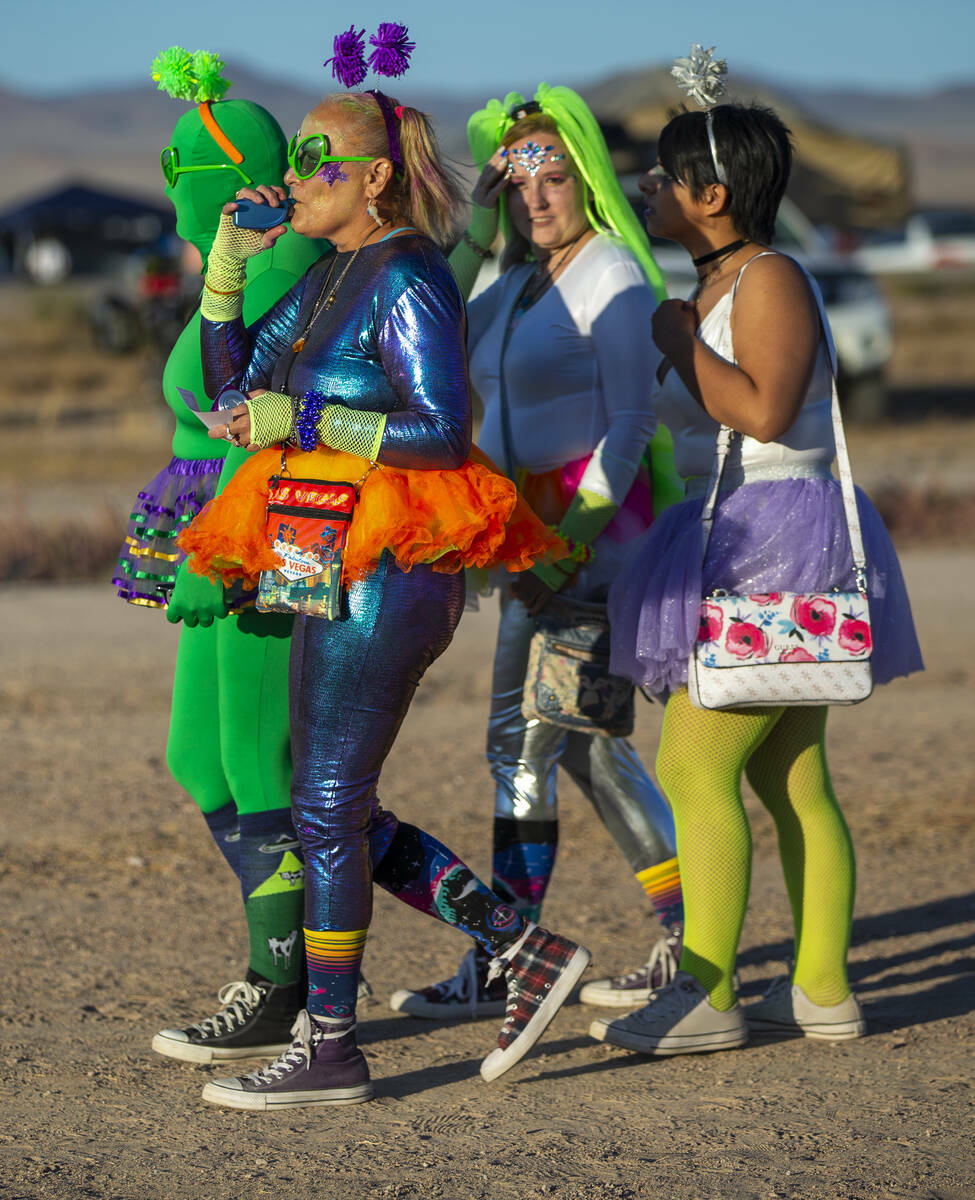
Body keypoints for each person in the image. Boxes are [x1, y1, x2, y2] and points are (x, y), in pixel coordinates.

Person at [179, 85, 591, 1109]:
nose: (298, 175)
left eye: (321, 160)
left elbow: (443, 429)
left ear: (371, 177)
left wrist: (304, 417)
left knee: (324, 803)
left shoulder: (406, 271)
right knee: (337, 809)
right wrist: (228, 259)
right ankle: (524, 950)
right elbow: (230, 383)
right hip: (328, 559)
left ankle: (333, 1047)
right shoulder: (329, 274)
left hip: (396, 563)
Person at [591, 98, 923, 1057]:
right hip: (738, 532)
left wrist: (678, 345)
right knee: (789, 773)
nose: (648, 189)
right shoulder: (722, 281)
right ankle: (820, 986)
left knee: (693, 768)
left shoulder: (768, 279)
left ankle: (704, 993)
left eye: (662, 176)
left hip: (771, 538)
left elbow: (767, 412)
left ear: (712, 193)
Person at [390, 85, 688, 1021]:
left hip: (598, 536)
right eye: (518, 187)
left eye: (554, 179)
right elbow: (438, 322)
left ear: (585, 178)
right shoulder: (511, 284)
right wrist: (477, 228)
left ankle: (528, 952)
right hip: (524, 537)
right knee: (565, 750)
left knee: (536, 746)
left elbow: (633, 424)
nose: (537, 200)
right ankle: (616, 940)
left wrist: (573, 544)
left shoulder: (613, 275)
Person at [113, 50, 333, 1064]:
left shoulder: (280, 264)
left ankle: (281, 981)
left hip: (259, 539)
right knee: (199, 759)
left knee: (261, 762)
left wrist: (227, 552)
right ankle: (292, 954)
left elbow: (262, 426)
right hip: (213, 541)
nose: (170, 184)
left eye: (181, 167)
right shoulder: (229, 260)